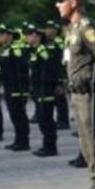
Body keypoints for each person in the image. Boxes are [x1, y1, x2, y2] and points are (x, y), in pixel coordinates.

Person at [54, 0, 95, 189]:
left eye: (60, 1)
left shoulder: (87, 28)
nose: (57, 5)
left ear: (73, 2)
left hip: (90, 95)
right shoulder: (72, 30)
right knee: (86, 144)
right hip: (77, 94)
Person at [27, 25, 61, 157]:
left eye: (31, 34)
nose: (28, 37)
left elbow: (51, 68)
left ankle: (51, 147)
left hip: (45, 89)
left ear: (38, 36)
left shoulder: (43, 50)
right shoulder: (34, 50)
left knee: (46, 118)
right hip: (37, 89)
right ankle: (46, 145)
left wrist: (55, 84)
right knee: (41, 118)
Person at [0, 25, 32, 152]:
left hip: (17, 86)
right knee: (14, 115)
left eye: (2, 33)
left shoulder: (16, 48)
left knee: (19, 115)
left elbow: (21, 68)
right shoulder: (4, 49)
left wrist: (24, 89)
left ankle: (23, 141)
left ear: (10, 35)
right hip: (8, 85)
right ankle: (18, 139)